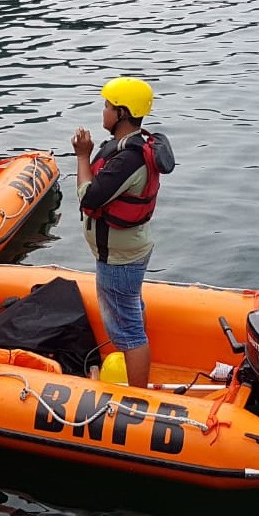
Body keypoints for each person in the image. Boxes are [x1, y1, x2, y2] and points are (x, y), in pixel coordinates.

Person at [70, 77, 174, 388]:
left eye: (107, 107)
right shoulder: (135, 146)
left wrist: (81, 156)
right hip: (129, 248)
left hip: (119, 257)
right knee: (130, 308)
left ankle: (138, 397)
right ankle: (133, 375)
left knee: (128, 330)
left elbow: (89, 197)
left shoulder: (128, 158)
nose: (103, 112)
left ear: (122, 114)